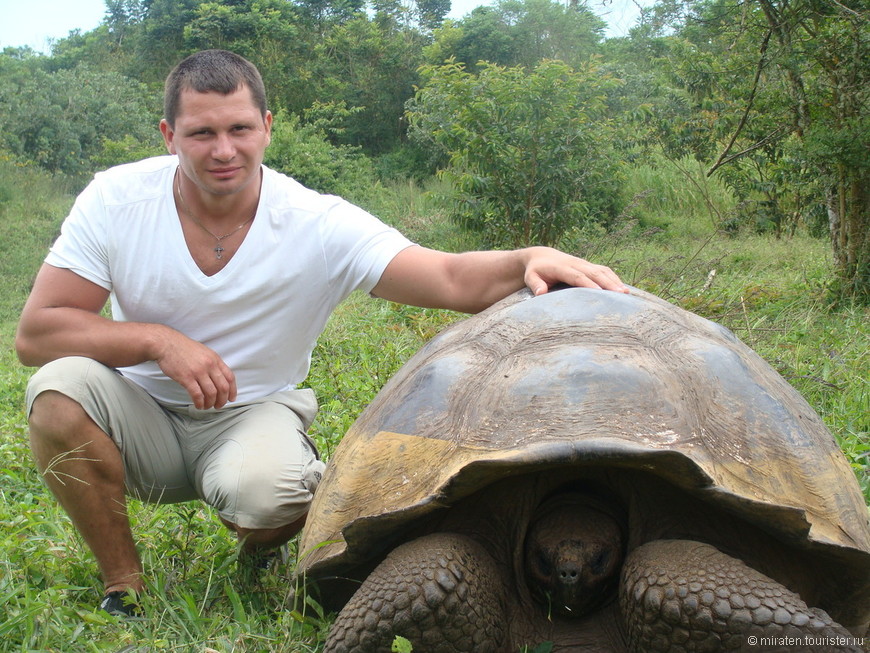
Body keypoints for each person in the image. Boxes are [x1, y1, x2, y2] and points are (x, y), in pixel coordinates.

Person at [14, 49, 628, 618]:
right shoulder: (117, 199)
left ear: (267, 127)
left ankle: (263, 538)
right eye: (202, 133)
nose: (223, 149)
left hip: (250, 412)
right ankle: (124, 584)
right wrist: (156, 341)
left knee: (267, 497)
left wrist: (527, 257)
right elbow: (37, 333)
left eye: (240, 129)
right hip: (138, 413)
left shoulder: (316, 223)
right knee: (57, 390)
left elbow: (445, 276)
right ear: (169, 135)